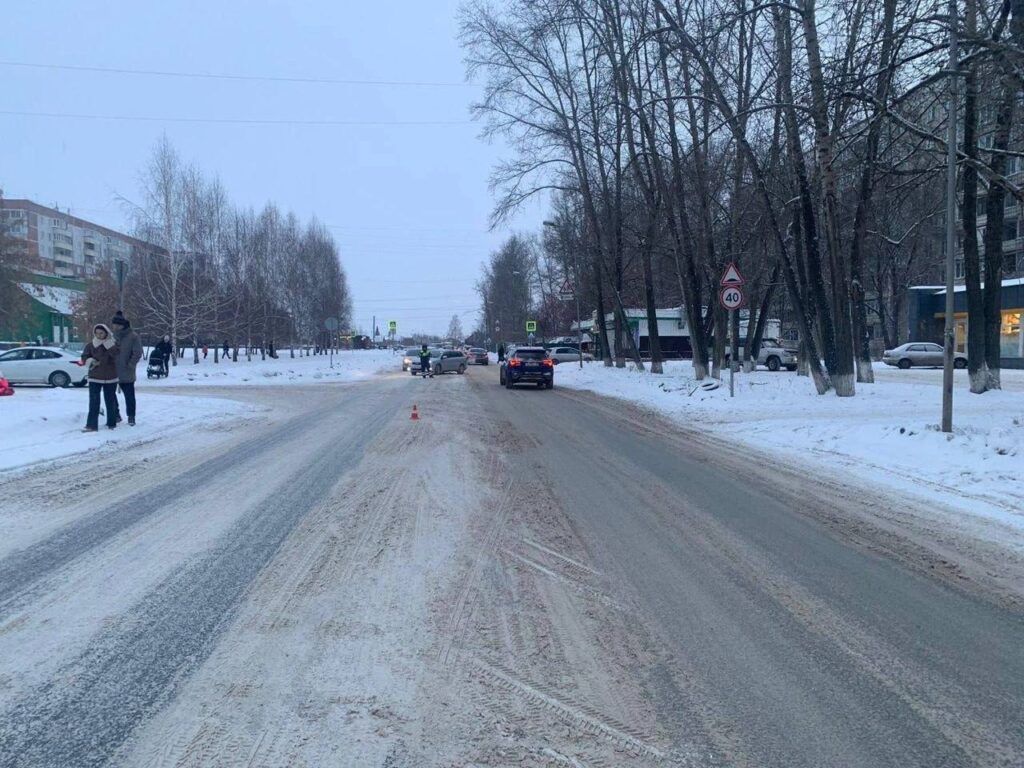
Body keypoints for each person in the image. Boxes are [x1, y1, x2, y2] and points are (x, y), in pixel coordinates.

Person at [81, 324, 120, 432]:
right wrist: (91, 362)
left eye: (101, 333)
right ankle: (91, 425)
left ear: (106, 333)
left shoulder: (113, 344)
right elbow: (84, 357)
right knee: (94, 401)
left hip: (110, 376)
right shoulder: (91, 345)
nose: (99, 335)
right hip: (95, 376)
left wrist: (109, 345)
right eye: (97, 333)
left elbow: (118, 356)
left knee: (110, 400)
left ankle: (111, 423)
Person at [111, 312, 143, 426]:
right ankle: (116, 414)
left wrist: (130, 365)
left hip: (126, 371)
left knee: (129, 396)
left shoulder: (133, 336)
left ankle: (131, 416)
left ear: (121, 325)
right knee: (110, 394)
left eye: (115, 324)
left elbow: (137, 352)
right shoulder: (112, 336)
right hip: (112, 371)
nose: (114, 327)